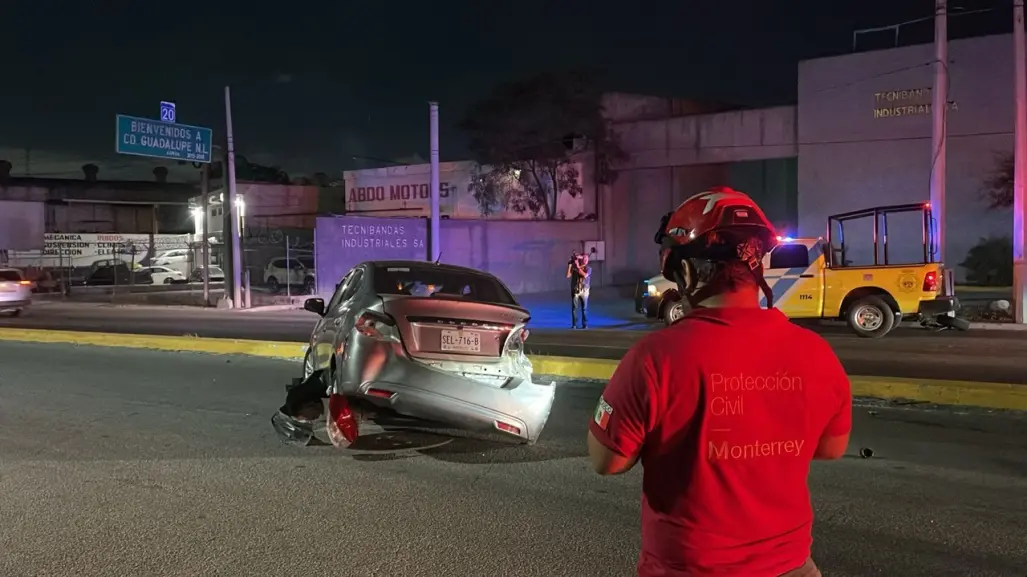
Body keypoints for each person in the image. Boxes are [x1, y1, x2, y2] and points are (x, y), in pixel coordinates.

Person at [586, 186, 852, 577]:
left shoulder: (654, 359)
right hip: (792, 567)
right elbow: (830, 448)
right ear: (755, 265)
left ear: (686, 271)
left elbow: (607, 460)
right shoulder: (817, 353)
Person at [566, 251, 591, 329]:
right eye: (584, 258)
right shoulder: (575, 266)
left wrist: (577, 266)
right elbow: (568, 275)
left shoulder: (588, 268)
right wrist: (570, 265)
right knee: (574, 308)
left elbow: (585, 275)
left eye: (587, 259)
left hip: (584, 290)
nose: (585, 260)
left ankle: (585, 324)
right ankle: (574, 325)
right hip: (576, 290)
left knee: (584, 308)